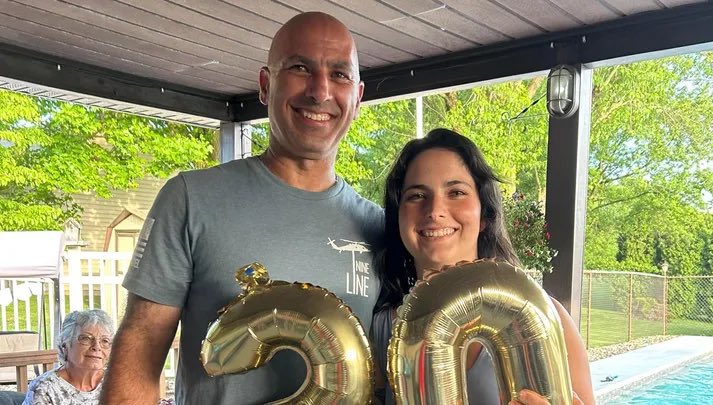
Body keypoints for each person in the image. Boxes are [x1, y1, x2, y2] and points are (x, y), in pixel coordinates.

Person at [100, 12, 383, 405]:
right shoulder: (191, 199)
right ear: (266, 85)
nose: (320, 91)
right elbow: (140, 352)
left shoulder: (379, 227)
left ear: (358, 97)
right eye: (300, 68)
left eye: (339, 74)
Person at [371, 128, 595, 405]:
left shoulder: (547, 319)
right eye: (417, 195)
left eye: (456, 192)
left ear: (484, 216)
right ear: (398, 218)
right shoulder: (381, 330)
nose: (435, 211)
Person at [23, 309, 114, 405]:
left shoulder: (116, 381)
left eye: (105, 341)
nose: (97, 347)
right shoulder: (44, 389)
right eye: (86, 338)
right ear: (65, 345)